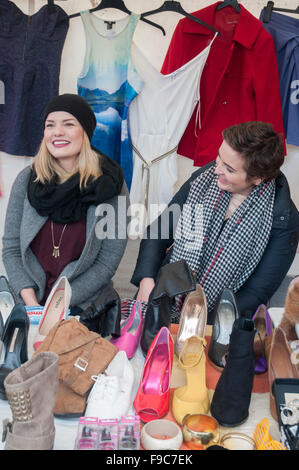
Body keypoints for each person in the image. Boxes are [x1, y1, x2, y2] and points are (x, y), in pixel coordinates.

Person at [131, 121, 299, 322]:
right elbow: (159, 232)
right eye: (219, 156)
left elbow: (256, 292)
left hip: (220, 322)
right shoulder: (203, 181)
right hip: (160, 296)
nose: (217, 169)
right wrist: (147, 279)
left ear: (257, 178)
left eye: (229, 168)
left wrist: (199, 322)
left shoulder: (282, 219)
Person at [2, 93, 129, 312]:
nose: (57, 132)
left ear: (85, 132)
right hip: (27, 303)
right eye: (50, 125)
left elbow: (107, 261)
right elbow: (11, 249)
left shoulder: (111, 184)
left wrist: (57, 305)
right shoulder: (27, 180)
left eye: (69, 124)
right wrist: (32, 305)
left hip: (82, 306)